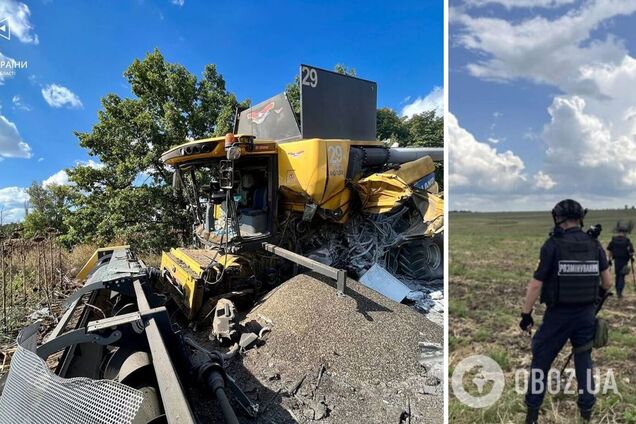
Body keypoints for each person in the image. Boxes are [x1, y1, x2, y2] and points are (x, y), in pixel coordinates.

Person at [519, 199, 612, 424]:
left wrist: (526, 314)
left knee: (540, 360)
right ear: (581, 218)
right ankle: (586, 412)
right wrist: (592, 299)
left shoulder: (552, 245)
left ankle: (532, 413)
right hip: (585, 315)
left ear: (557, 218)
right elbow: (607, 283)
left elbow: (535, 285)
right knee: (584, 360)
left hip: (558, 316)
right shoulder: (594, 244)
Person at [607, 224, 634, 298]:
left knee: (618, 275)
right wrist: (632, 257)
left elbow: (610, 250)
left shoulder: (614, 239)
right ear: (624, 232)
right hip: (624, 260)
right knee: (622, 276)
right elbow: (631, 251)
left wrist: (609, 259)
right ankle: (619, 292)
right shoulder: (627, 240)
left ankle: (617, 290)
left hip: (616, 260)